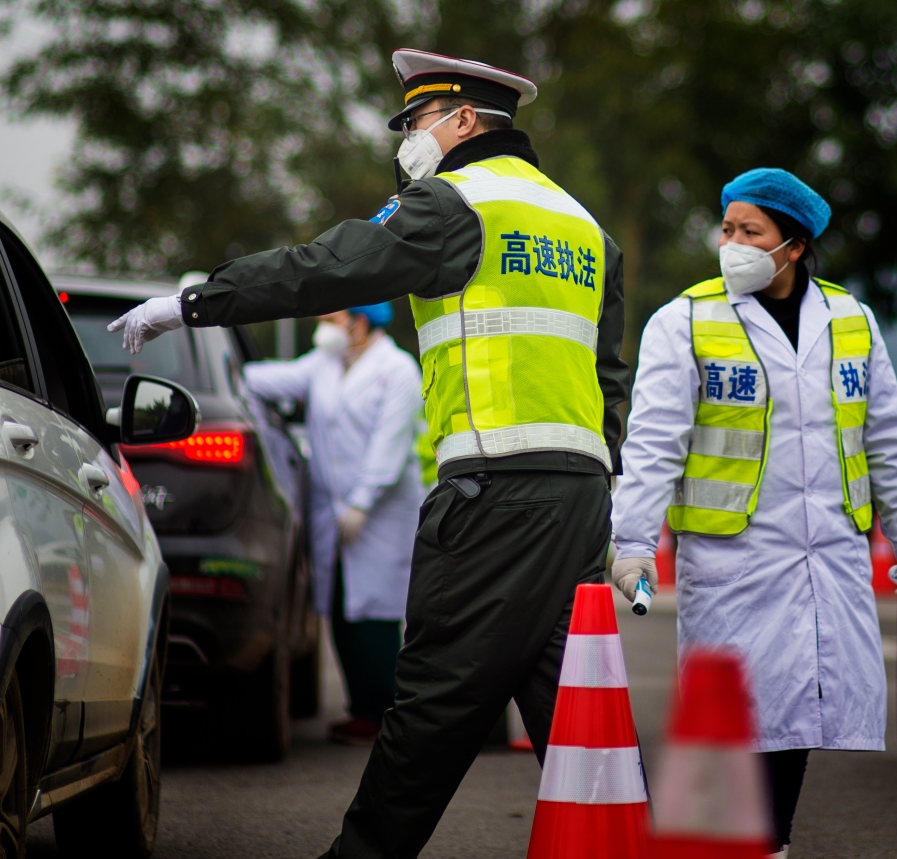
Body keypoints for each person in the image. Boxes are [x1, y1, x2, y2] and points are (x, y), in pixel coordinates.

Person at [109, 49, 630, 859]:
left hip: (492, 494)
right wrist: (605, 486)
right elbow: (609, 378)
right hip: (579, 498)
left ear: (461, 121)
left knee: (432, 702)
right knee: (575, 711)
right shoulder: (583, 226)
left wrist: (193, 302)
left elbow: (325, 267)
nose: (408, 142)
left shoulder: (453, 203)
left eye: (416, 122)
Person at [610, 168, 897, 857]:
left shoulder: (850, 320)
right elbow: (653, 439)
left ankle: (767, 841)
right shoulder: (686, 320)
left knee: (798, 709)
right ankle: (752, 841)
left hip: (828, 551)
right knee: (740, 713)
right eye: (726, 227)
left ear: (792, 245)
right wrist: (632, 541)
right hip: (734, 556)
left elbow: (885, 435)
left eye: (748, 231)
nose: (729, 242)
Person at [242, 302, 424, 746]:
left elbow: (390, 444)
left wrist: (361, 502)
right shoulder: (323, 365)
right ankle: (363, 709)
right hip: (331, 508)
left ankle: (384, 712)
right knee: (341, 605)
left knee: (375, 610)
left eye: (331, 318)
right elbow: (258, 378)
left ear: (360, 322)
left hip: (380, 511)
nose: (321, 326)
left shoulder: (397, 370)